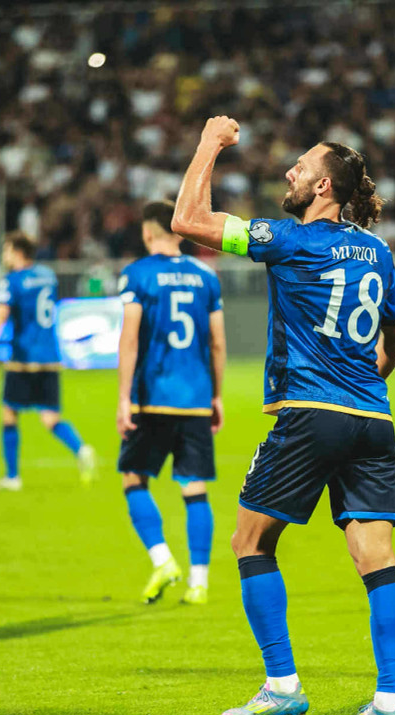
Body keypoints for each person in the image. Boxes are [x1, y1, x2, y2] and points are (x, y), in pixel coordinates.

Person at [173, 116, 395, 715]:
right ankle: (390, 702)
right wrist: (365, 384)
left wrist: (209, 143)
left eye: (301, 167)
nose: (290, 172)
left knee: (250, 542)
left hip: (310, 412)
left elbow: (188, 221)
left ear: (324, 187)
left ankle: (282, 685)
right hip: (372, 418)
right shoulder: (379, 251)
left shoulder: (290, 240)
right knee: (376, 558)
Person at [116, 201, 226, 605]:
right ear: (178, 230)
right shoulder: (206, 276)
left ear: (147, 232)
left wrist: (123, 398)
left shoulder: (137, 274)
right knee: (194, 488)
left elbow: (129, 339)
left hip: (153, 398)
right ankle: (199, 582)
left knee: (133, 479)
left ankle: (162, 560)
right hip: (196, 398)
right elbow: (217, 342)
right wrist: (216, 395)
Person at [0, 232, 96, 490]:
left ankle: (12, 477)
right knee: (50, 417)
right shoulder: (48, 276)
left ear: (17, 251)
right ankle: (81, 449)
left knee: (9, 412)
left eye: (6, 250)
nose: (3, 256)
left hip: (24, 357)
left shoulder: (12, 280)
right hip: (50, 356)